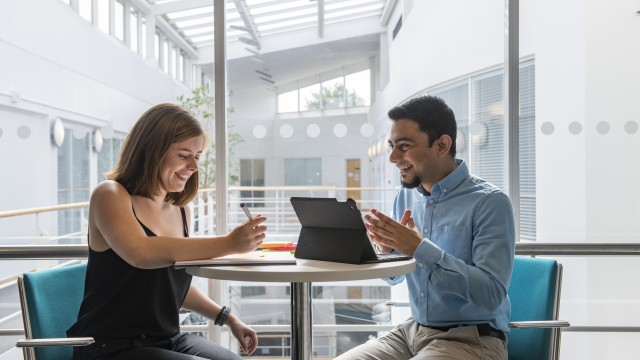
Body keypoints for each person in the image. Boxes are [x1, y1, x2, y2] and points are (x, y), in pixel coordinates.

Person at [67, 103, 267, 360]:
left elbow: (169, 284)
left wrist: (228, 318)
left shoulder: (182, 210)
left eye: (197, 156)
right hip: (111, 347)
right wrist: (229, 243)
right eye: (184, 155)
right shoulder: (111, 194)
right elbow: (140, 253)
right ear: (152, 152)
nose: (194, 166)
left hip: (168, 340)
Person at [336, 96, 515, 360]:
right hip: (412, 331)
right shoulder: (406, 197)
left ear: (442, 145)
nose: (394, 157)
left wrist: (418, 248)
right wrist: (388, 253)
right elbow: (396, 276)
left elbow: (491, 295)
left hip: (472, 339)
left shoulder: (490, 202)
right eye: (392, 146)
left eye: (404, 146)